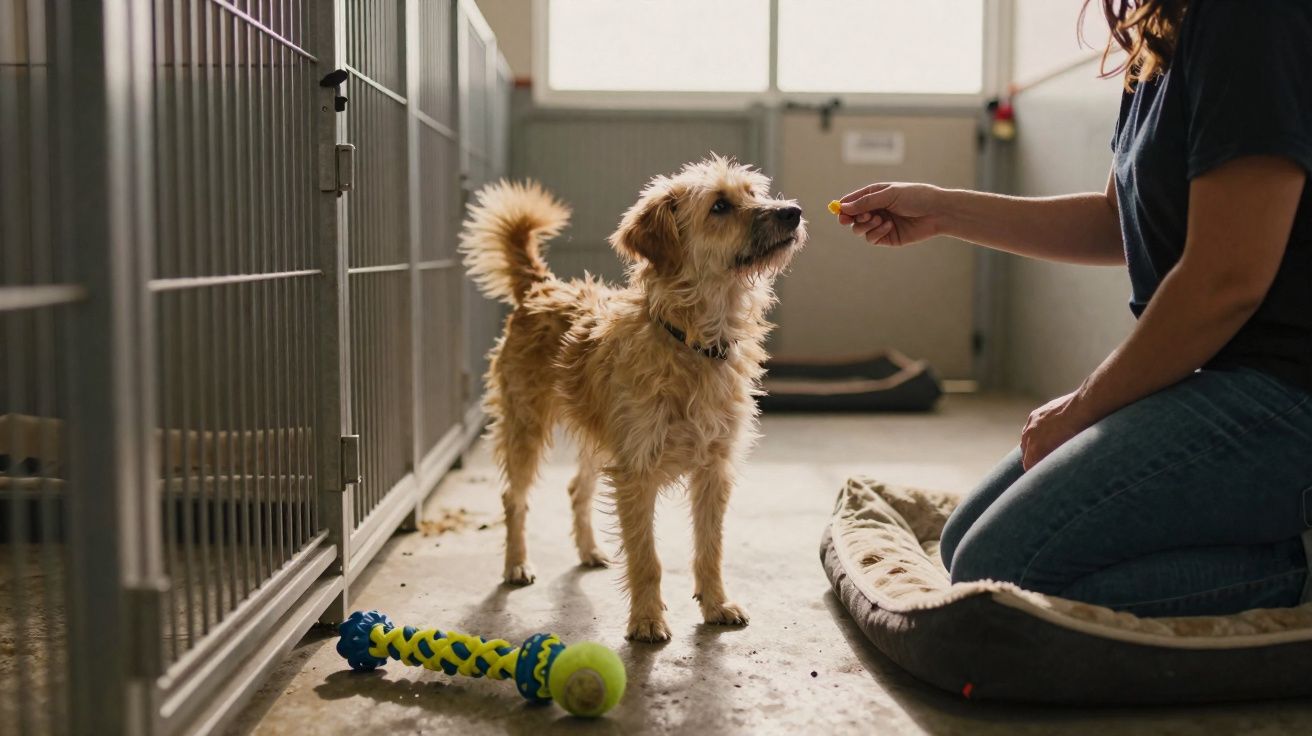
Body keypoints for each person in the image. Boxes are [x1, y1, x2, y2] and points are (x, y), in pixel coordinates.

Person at [836, 0, 1312, 617]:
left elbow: (1226, 280)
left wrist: (1084, 407)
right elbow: (1116, 221)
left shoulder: (1252, 20)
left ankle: (1296, 568)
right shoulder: (1160, 30)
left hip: (1290, 389)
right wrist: (941, 210)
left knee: (1002, 574)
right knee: (962, 544)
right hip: (1223, 374)